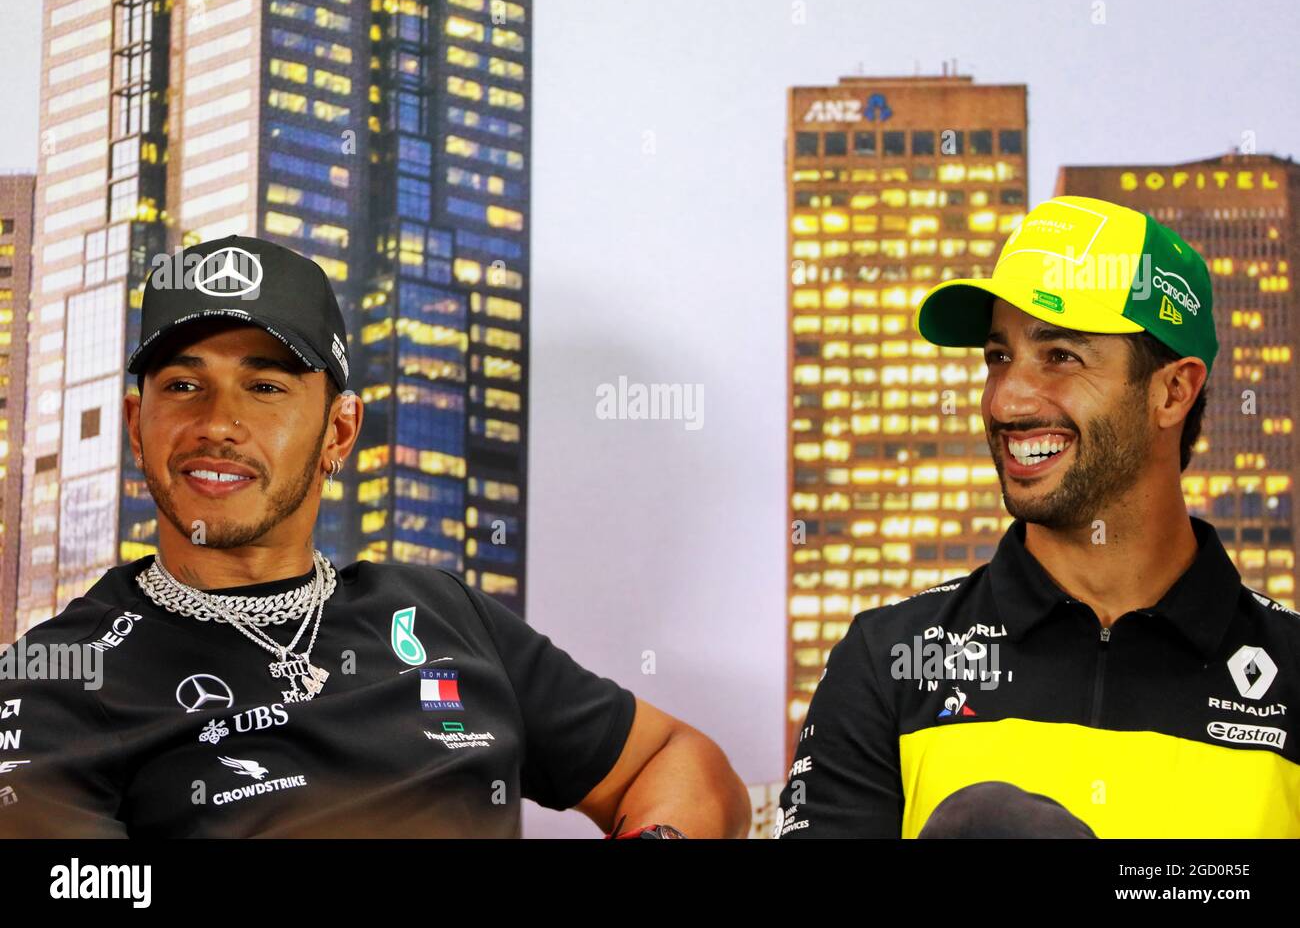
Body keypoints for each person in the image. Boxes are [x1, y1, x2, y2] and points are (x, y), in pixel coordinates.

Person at [0, 235, 750, 838]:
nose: (216, 425)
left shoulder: (441, 614)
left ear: (340, 431)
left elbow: (677, 760)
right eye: (183, 385)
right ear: (138, 426)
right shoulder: (54, 681)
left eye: (266, 387)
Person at [776, 196, 1299, 838]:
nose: (1007, 400)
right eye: (999, 357)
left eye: (1060, 357)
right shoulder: (888, 661)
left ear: (1173, 391)